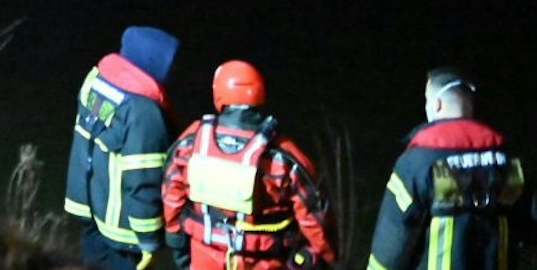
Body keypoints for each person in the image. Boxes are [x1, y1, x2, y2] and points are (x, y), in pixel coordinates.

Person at [161, 61, 337, 269]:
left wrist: (176, 242)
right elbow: (312, 214)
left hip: (203, 257)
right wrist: (327, 255)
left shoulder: (192, 143)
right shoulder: (280, 155)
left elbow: (172, 194)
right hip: (264, 261)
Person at [367, 68, 537, 269]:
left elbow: (392, 239)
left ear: (437, 104)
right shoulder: (506, 156)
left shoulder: (418, 161)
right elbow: (534, 218)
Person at [66, 25, 180, 269]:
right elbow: (142, 181)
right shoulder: (145, 113)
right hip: (124, 234)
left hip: (90, 213)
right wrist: (149, 240)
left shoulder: (95, 82)